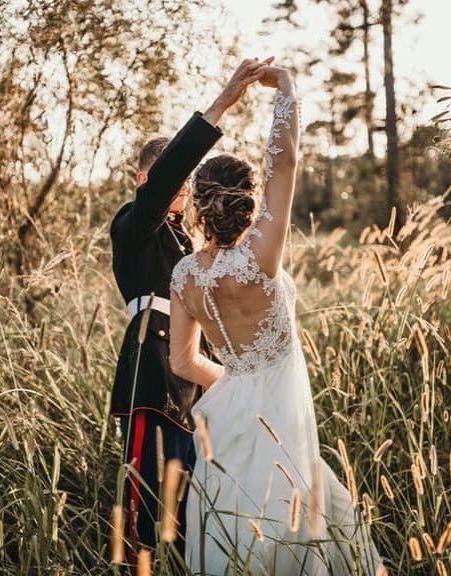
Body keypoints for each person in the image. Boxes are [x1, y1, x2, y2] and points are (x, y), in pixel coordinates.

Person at [168, 64, 385, 574]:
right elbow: (282, 164)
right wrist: (286, 87)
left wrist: (238, 382)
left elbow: (182, 361)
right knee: (302, 526)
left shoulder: (183, 276)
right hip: (282, 412)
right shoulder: (262, 256)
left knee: (237, 533)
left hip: (228, 412)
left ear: (198, 205)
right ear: (247, 202)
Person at [108, 57, 274, 566]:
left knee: (188, 517)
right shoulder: (133, 227)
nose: (181, 194)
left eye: (184, 189)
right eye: (172, 184)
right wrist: (221, 104)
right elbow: (164, 182)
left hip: (199, 387)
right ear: (145, 180)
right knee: (143, 517)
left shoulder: (189, 246)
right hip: (153, 380)